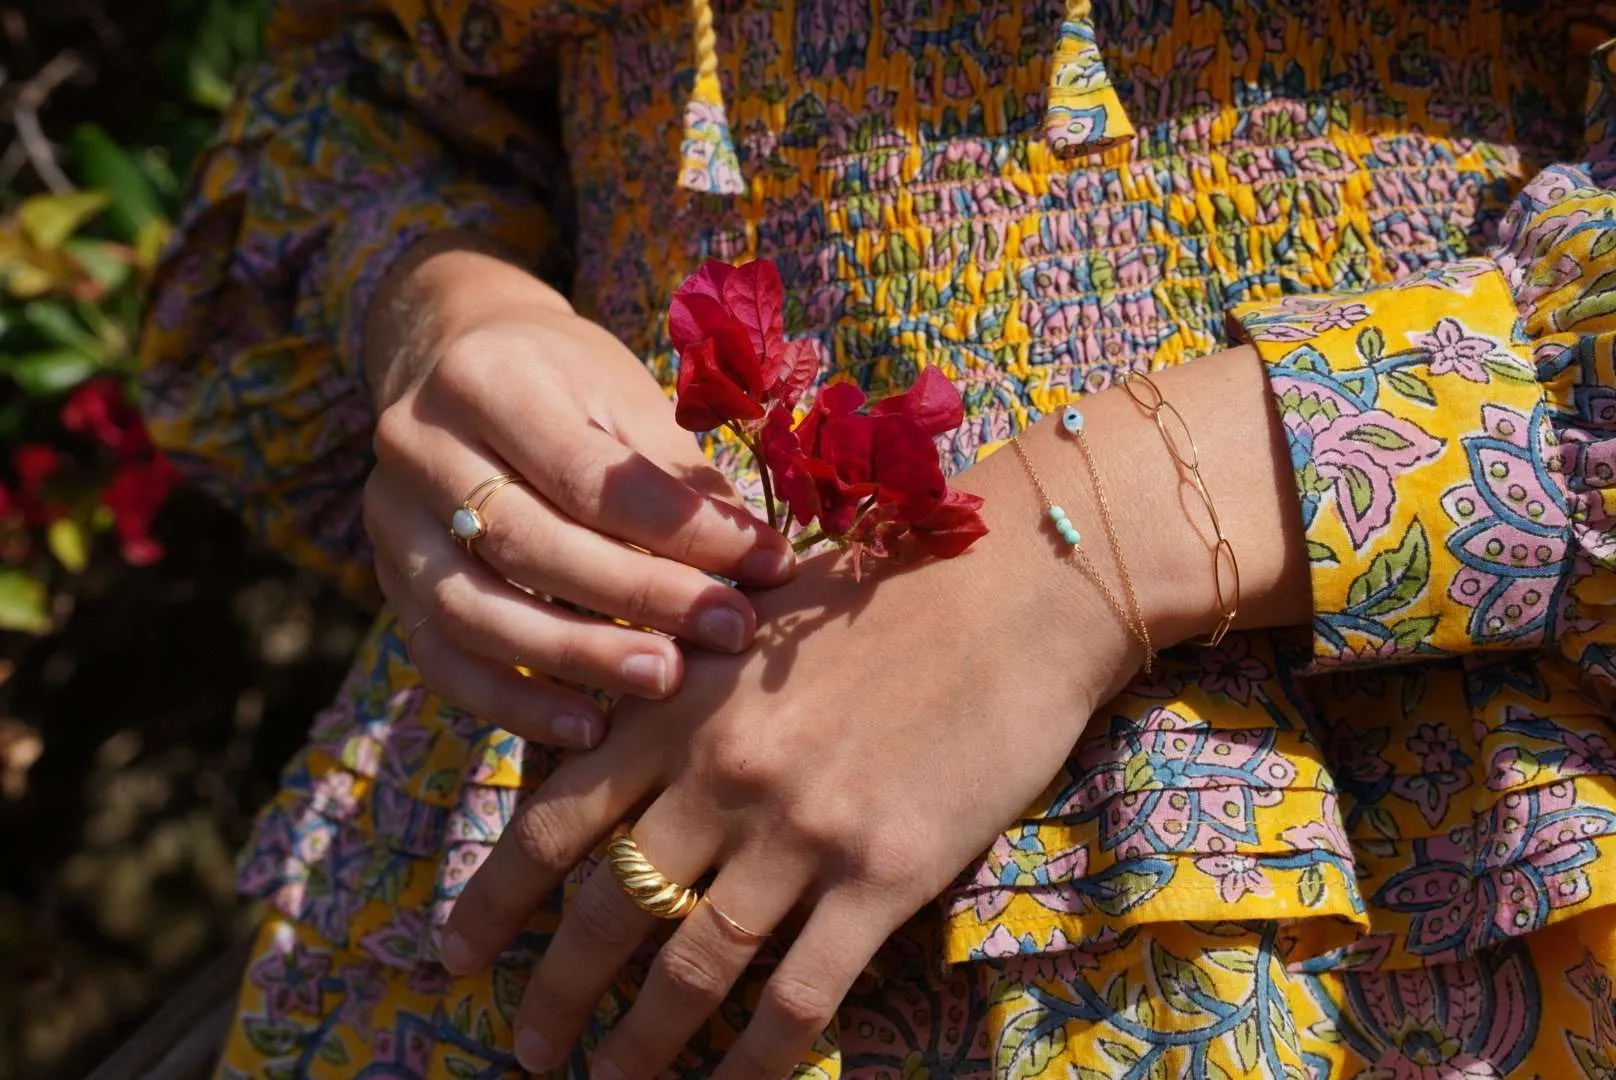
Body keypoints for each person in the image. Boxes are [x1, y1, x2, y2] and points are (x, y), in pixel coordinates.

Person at [139, 0, 1616, 1075]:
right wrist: (445, 312)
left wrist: (1103, 536)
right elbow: (348, 95)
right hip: (584, 834)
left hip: (1397, 846)